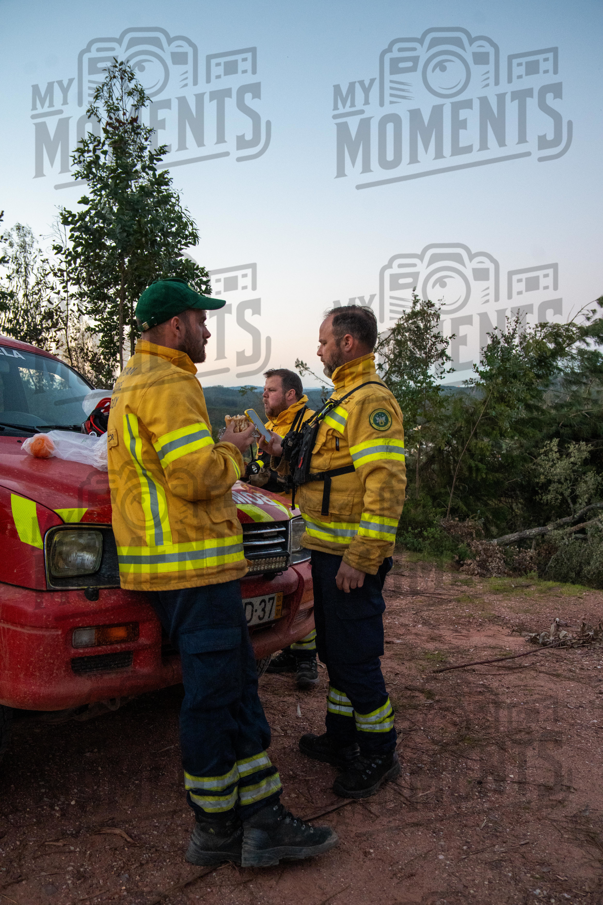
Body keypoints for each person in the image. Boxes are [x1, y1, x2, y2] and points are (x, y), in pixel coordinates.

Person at [107, 278, 338, 868]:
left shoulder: (135, 378)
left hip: (177, 568)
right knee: (215, 696)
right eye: (200, 320)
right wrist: (233, 448)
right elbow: (193, 476)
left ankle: (260, 819)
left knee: (232, 689)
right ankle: (215, 829)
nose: (208, 330)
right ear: (175, 326)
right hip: (191, 568)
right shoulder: (169, 381)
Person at [260, 305, 406, 800]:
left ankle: (380, 754)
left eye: (323, 341)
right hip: (324, 550)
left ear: (348, 343)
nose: (318, 349)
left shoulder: (371, 401)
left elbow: (385, 487)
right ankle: (343, 739)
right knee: (334, 653)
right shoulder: (341, 399)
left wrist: (363, 557)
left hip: (349, 558)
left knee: (356, 658)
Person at [250, 368, 318, 690]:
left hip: (298, 514)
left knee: (303, 582)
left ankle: (306, 658)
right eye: (264, 390)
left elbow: (306, 470)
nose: (265, 395)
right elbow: (265, 466)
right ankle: (288, 648)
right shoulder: (271, 425)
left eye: (271, 390)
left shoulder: (309, 422)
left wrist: (274, 477)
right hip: (269, 517)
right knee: (277, 583)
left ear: (291, 394)